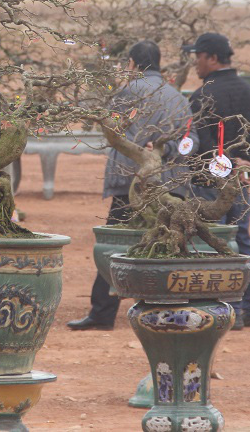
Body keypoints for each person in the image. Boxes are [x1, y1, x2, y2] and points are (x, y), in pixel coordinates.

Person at [68, 40, 198, 331]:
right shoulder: (179, 97)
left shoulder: (126, 92)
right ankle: (172, 310)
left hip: (131, 181)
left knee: (113, 246)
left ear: (132, 64)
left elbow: (112, 130)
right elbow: (192, 141)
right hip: (170, 181)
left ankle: (102, 313)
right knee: (170, 245)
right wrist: (169, 151)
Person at [184, 32, 250, 329]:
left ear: (211, 58)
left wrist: (222, 165)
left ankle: (228, 309)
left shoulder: (203, 95)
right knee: (243, 240)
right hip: (243, 181)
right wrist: (249, 162)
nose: (195, 64)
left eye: (197, 57)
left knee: (215, 241)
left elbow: (202, 145)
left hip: (210, 184)